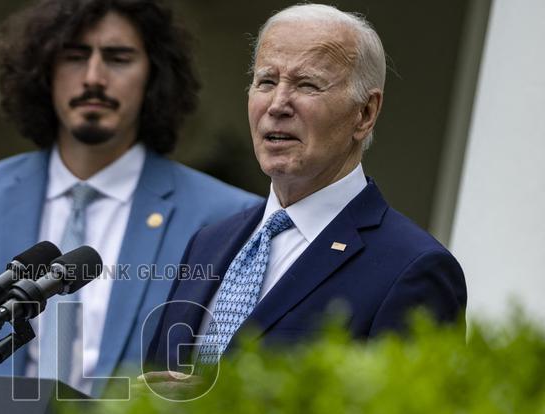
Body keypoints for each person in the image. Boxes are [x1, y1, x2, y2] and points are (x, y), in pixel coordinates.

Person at [0, 0, 260, 397]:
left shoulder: (225, 216)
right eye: (74, 56)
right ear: (44, 70)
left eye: (118, 58)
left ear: (155, 75)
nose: (94, 77)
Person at [145, 4, 466, 389]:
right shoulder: (209, 242)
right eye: (266, 81)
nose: (278, 105)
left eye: (307, 85)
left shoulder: (414, 270)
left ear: (364, 113)